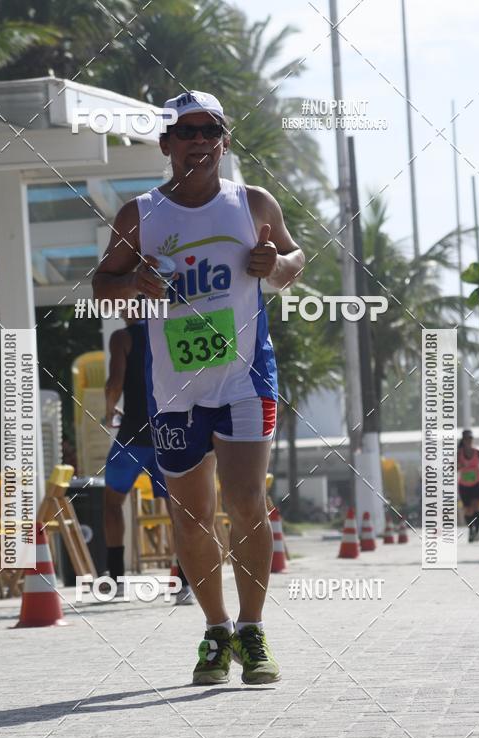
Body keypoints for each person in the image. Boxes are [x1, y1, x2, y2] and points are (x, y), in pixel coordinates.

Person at [93, 90, 304, 685]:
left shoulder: (252, 203)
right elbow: (102, 285)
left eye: (210, 129)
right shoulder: (140, 215)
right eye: (185, 131)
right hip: (174, 390)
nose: (199, 140)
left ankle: (252, 630)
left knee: (246, 502)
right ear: (166, 144)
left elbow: (295, 258)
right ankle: (216, 630)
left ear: (224, 140)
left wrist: (276, 267)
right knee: (191, 516)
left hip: (245, 378)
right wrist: (133, 282)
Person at [104, 321, 194, 604]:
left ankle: (116, 580)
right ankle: (185, 584)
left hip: (133, 436)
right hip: (169, 434)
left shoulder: (122, 338)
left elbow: (114, 383)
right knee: (177, 511)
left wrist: (109, 411)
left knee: (111, 503)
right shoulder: (172, 329)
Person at [457, 429, 479, 542]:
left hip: (477, 484)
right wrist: (460, 466)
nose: (469, 441)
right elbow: (453, 467)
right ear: (463, 440)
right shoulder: (459, 453)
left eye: (470, 438)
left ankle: (477, 531)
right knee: (468, 511)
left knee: (475, 507)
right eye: (466, 439)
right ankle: (471, 531)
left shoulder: (478, 451)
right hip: (464, 485)